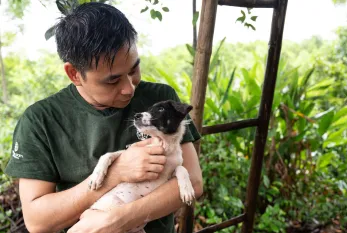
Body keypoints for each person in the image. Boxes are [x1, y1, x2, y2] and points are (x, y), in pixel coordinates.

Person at [5, 2, 203, 233]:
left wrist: (118, 220)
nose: (129, 88)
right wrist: (115, 174)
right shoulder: (40, 120)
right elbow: (38, 221)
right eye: (112, 80)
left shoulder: (160, 99)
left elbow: (193, 182)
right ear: (74, 74)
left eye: (134, 70)